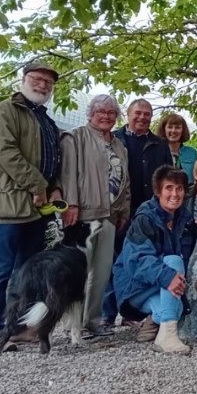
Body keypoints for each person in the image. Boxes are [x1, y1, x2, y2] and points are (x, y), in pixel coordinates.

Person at [0, 62, 63, 352]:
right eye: (38, 80)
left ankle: (18, 327)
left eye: (48, 83)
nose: (42, 86)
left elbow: (54, 159)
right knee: (0, 270)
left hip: (37, 209)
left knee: (27, 271)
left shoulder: (46, 120)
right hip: (10, 204)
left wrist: (55, 188)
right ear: (24, 80)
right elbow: (4, 154)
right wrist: (37, 184)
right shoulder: (6, 111)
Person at [60, 94, 131, 338]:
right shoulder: (76, 137)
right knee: (79, 271)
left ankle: (91, 320)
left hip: (110, 215)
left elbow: (124, 181)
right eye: (101, 111)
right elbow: (68, 173)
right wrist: (71, 204)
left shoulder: (119, 145)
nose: (106, 116)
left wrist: (123, 210)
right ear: (90, 113)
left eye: (111, 113)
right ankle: (73, 323)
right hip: (83, 216)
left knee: (101, 272)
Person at [113, 166, 193, 354]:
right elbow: (137, 259)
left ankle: (157, 323)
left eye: (179, 188)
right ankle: (168, 336)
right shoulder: (145, 218)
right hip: (133, 286)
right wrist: (168, 276)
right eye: (169, 188)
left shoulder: (184, 218)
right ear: (158, 191)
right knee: (173, 262)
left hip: (157, 286)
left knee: (176, 307)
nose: (175, 194)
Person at [106, 98, 171, 326]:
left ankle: (133, 312)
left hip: (151, 211)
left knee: (145, 259)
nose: (142, 117)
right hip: (121, 209)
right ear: (128, 114)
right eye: (138, 113)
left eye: (147, 114)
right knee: (115, 261)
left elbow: (167, 176)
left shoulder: (159, 144)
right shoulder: (114, 140)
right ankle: (108, 313)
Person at [156, 113, 197, 184]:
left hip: (189, 193)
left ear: (183, 130)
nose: (173, 130)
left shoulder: (192, 153)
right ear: (164, 129)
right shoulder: (156, 152)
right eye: (170, 127)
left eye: (177, 127)